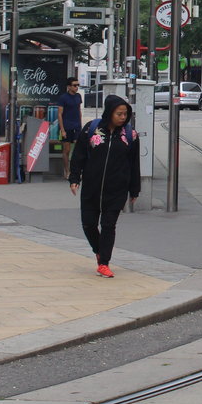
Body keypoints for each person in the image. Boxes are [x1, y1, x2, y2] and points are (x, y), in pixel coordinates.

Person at [69, 95, 141, 277]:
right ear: (109, 113)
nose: (123, 117)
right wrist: (74, 178)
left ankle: (104, 263)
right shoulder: (91, 130)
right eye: (119, 113)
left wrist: (134, 189)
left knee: (109, 225)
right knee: (88, 224)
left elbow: (134, 164)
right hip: (91, 188)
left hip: (116, 190)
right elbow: (78, 156)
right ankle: (99, 250)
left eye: (125, 114)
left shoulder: (130, 135)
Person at [54, 77, 84, 179]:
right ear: (69, 87)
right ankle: (67, 171)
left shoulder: (78, 96)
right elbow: (59, 114)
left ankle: (76, 170)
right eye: (74, 85)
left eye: (77, 85)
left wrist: (80, 124)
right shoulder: (63, 98)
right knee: (66, 150)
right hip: (67, 126)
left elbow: (79, 110)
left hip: (77, 126)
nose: (76, 87)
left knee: (78, 149)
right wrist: (62, 129)